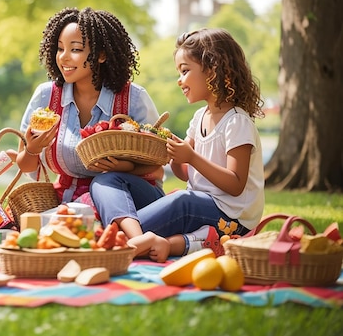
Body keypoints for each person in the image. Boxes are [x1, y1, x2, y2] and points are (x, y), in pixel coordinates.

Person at [91, 28, 265, 262]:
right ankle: (137, 237)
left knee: (182, 201)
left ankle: (113, 237)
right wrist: (174, 153)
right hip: (197, 207)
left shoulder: (237, 121)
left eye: (185, 71)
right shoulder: (199, 117)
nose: (179, 79)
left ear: (212, 70)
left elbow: (235, 184)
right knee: (106, 180)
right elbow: (184, 174)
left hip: (230, 216)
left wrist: (191, 156)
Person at [16, 7, 165, 211]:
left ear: (101, 55)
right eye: (60, 49)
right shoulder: (46, 96)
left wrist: (123, 167)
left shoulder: (134, 98)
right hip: (65, 200)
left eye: (75, 49)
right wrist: (32, 150)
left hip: (126, 198)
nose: (64, 57)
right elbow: (25, 166)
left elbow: (157, 163)